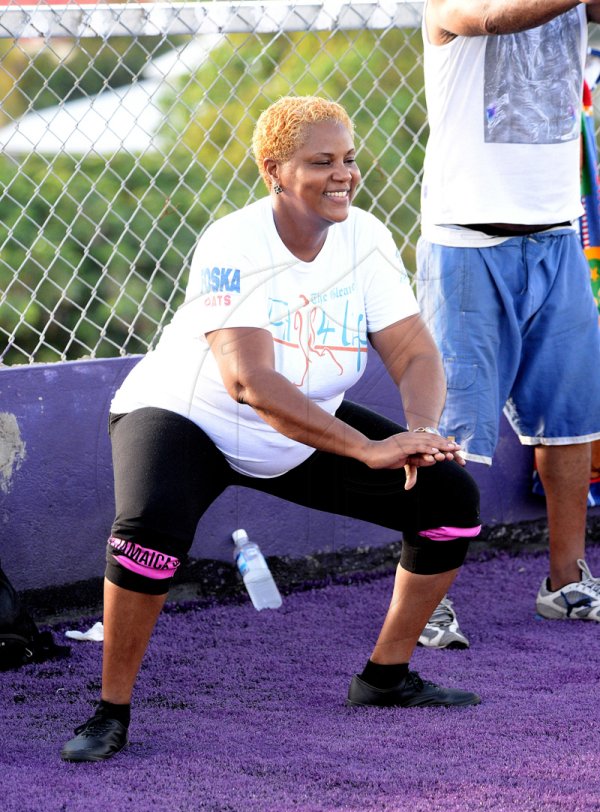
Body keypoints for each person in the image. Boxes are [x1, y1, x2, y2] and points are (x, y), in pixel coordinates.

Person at [60, 96, 482, 762]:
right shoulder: (234, 241)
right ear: (274, 171)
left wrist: (420, 432)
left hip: (297, 425)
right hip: (186, 414)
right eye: (320, 162)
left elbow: (413, 351)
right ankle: (111, 710)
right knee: (147, 530)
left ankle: (385, 677)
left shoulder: (365, 237)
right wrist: (369, 449)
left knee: (449, 499)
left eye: (348, 159)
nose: (343, 174)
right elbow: (248, 381)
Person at [416, 0, 600, 651]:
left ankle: (566, 581)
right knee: (451, 429)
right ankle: (428, 598)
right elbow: (488, 18)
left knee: (572, 417)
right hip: (466, 244)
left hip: (555, 237)